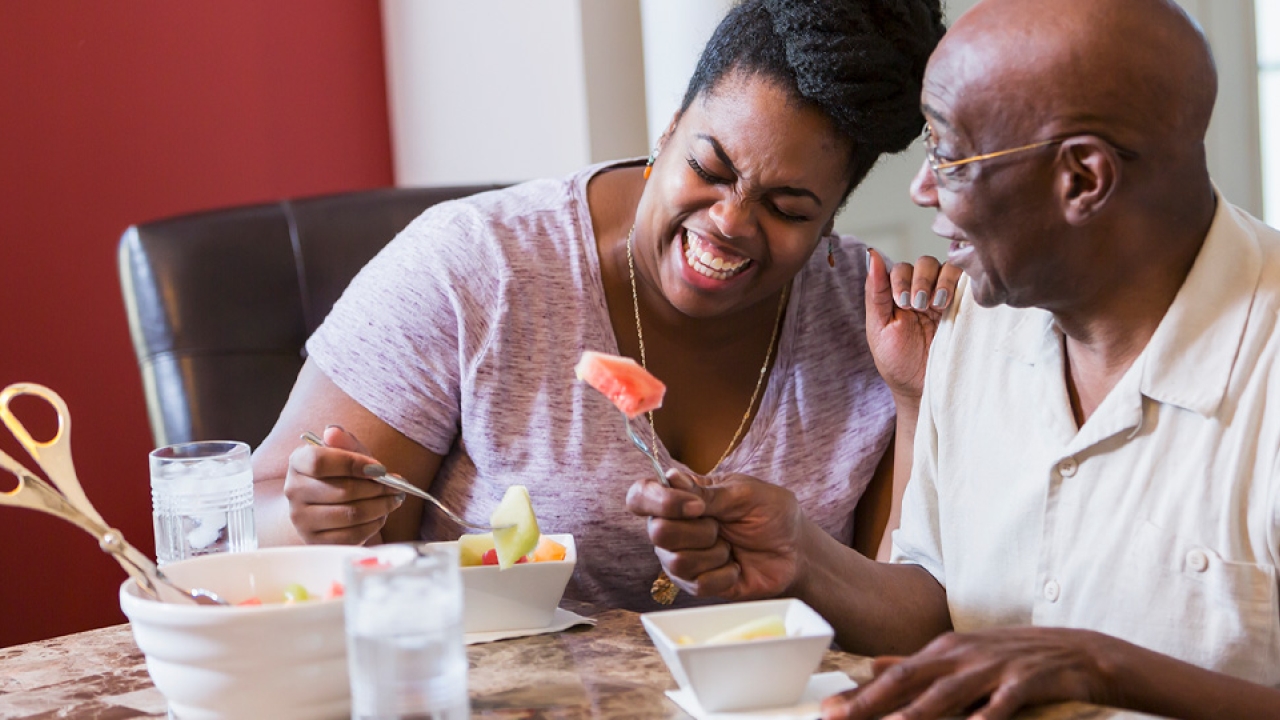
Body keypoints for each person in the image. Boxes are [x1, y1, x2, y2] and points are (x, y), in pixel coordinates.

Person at [627, 0, 1280, 716]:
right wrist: (804, 557)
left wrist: (1103, 666)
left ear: (1083, 179)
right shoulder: (975, 318)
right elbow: (939, 603)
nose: (921, 189)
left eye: (948, 154)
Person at [251, 0, 956, 611]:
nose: (730, 222)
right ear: (668, 129)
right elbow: (249, 521)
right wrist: (310, 517)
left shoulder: (878, 324)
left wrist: (915, 400)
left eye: (788, 208)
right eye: (710, 169)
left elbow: (896, 614)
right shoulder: (475, 266)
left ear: (833, 215)